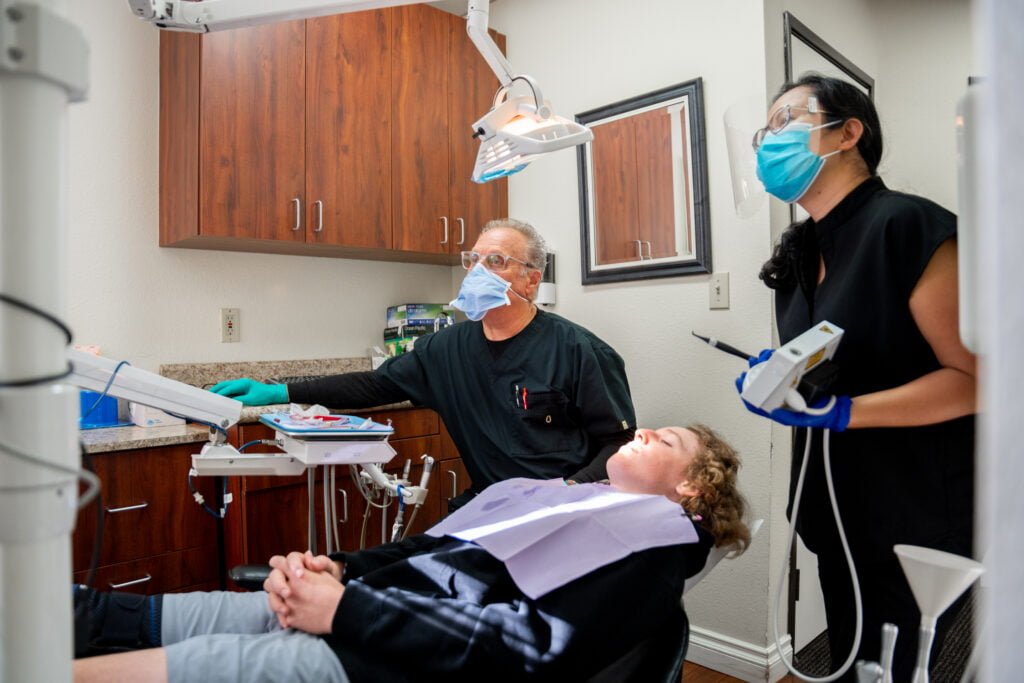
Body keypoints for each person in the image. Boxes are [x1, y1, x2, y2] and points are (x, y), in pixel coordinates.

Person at [73, 424, 750, 683]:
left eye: (667, 437)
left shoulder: (652, 546)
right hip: (358, 611)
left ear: (692, 487)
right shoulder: (557, 498)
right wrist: (337, 567)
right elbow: (430, 549)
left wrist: (345, 611)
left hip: (380, 656)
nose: (642, 428)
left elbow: (529, 649)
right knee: (133, 616)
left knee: (171, 666)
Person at [741, 73, 977, 681]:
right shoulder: (796, 257)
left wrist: (847, 412)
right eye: (764, 130)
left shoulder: (909, 227)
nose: (770, 140)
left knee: (895, 667)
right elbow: (830, 364)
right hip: (834, 509)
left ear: (849, 132)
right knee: (848, 659)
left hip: (914, 509)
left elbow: (977, 378)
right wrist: (781, 383)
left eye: (786, 121)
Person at [211, 218, 636, 510]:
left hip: (564, 507)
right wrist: (281, 391)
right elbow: (374, 386)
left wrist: (570, 489)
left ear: (530, 279)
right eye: (473, 260)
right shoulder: (444, 350)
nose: (477, 271)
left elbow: (619, 445)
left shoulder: (580, 351)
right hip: (489, 504)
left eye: (497, 262)